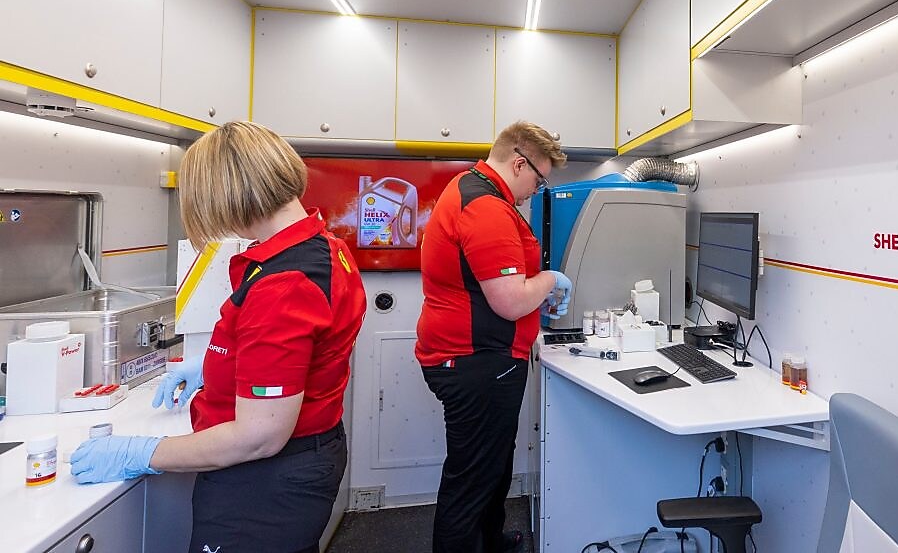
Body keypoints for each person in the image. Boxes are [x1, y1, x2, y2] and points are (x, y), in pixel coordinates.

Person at [69, 121, 367, 553]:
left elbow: (259, 436)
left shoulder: (284, 283)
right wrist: (215, 369)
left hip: (266, 481)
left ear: (230, 195)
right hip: (306, 458)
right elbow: (305, 355)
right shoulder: (325, 247)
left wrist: (142, 452)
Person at [416, 121, 572, 552]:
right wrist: (550, 280)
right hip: (476, 361)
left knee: (493, 465)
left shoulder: (473, 189)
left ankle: (491, 541)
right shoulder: (485, 207)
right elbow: (508, 300)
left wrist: (534, 290)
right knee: (471, 478)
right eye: (538, 180)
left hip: (478, 357)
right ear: (519, 163)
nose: (535, 191)